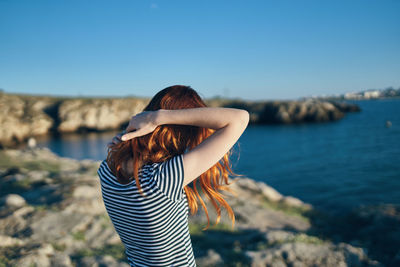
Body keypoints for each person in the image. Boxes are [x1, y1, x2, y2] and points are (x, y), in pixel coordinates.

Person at [97, 85, 249, 266]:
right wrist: (159, 117)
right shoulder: (162, 179)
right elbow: (240, 118)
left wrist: (130, 134)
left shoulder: (108, 169)